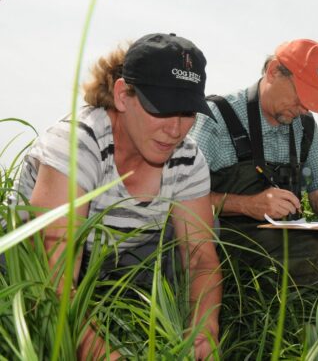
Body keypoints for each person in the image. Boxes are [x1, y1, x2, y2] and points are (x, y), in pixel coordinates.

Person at [16, 33, 222, 359]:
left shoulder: (189, 157)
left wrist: (204, 330)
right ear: (123, 95)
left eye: (188, 112)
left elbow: (200, 259)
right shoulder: (78, 143)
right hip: (37, 263)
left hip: (115, 263)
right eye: (162, 109)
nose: (176, 129)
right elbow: (52, 281)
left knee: (208, 229)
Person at [190, 38, 318, 285]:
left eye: (312, 103)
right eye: (302, 97)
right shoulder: (216, 118)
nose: (304, 109)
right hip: (222, 245)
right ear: (273, 72)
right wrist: (248, 205)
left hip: (288, 242)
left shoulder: (305, 127)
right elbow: (180, 201)